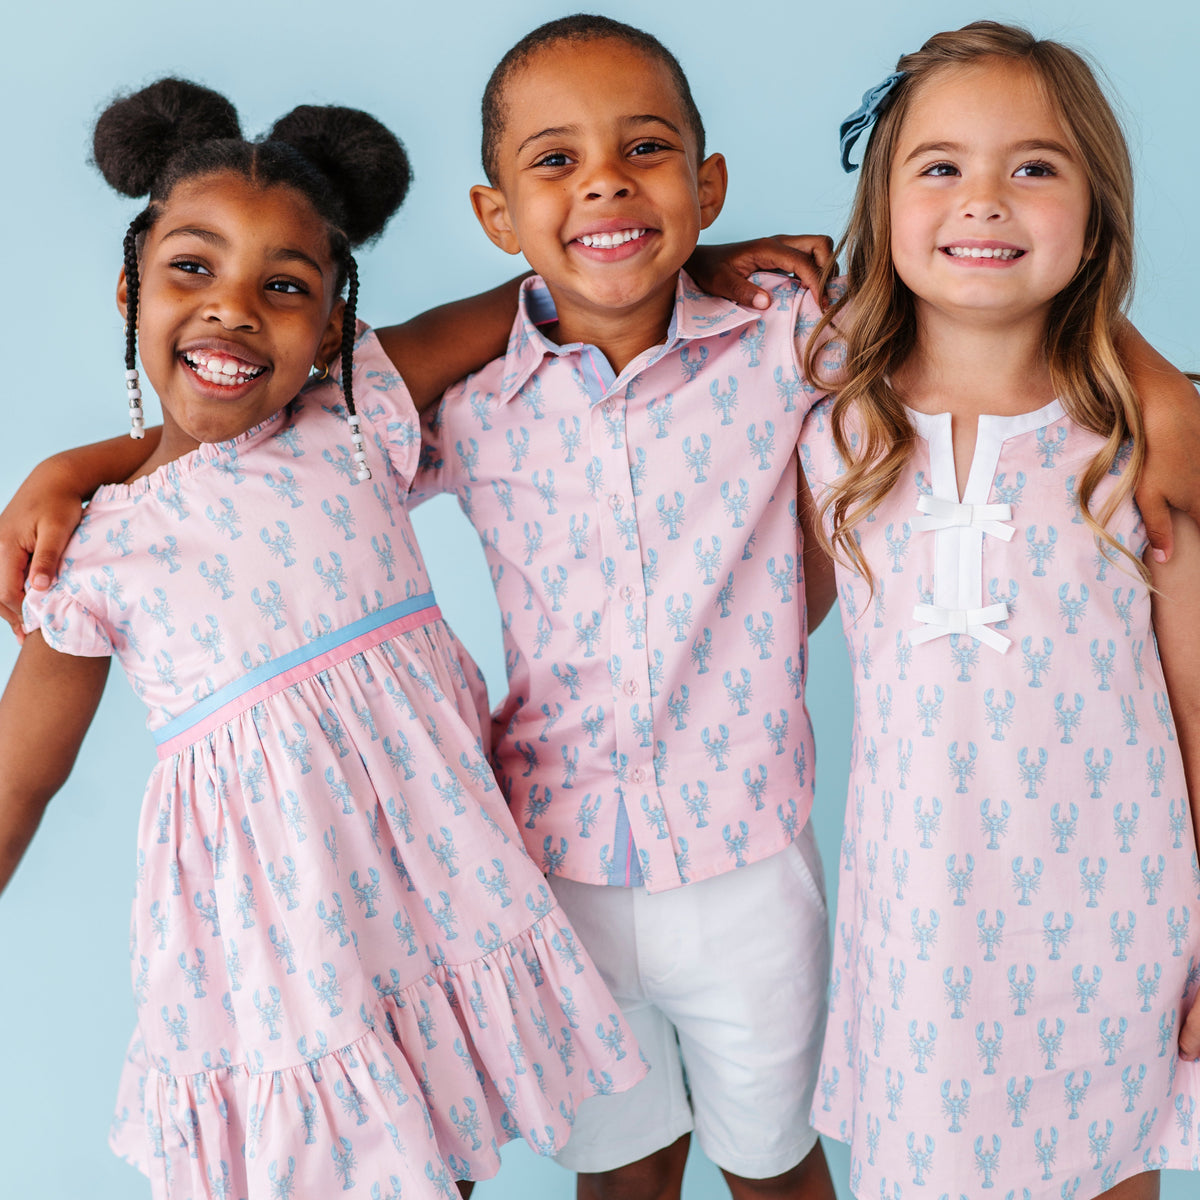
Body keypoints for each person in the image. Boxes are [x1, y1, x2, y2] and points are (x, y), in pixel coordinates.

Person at [0, 76, 651, 1200]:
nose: (233, 307)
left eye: (284, 285)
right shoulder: (94, 546)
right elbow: (19, 781)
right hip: (276, 939)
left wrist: (717, 260)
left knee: (437, 1152)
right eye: (190, 267)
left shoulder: (358, 413)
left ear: (336, 321)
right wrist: (82, 467)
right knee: (343, 1155)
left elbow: (554, 288)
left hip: (438, 887)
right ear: (130, 289)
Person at [800, 21, 1200, 1199]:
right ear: (884, 206)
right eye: (940, 168)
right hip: (922, 931)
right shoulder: (828, 422)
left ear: (1095, 216)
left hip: (1120, 927)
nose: (985, 201)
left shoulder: (1144, 438)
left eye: (1034, 167)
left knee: (1113, 1173)